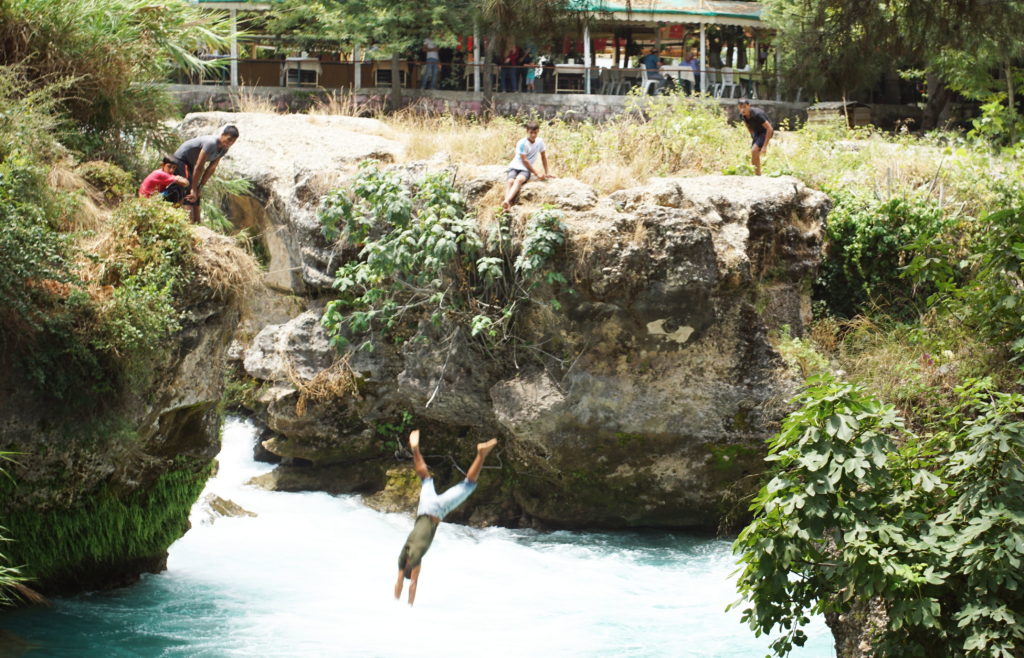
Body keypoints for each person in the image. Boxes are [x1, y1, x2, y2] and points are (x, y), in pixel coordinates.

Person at [394, 429, 498, 606]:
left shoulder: (416, 558)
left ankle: (481, 454)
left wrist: (407, 605)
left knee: (469, 484)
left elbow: (412, 585)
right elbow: (398, 582)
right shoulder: (403, 556)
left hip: (438, 512)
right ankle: (415, 449)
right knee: (425, 478)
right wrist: (397, 591)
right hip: (423, 510)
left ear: (411, 570)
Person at [171, 125, 239, 223]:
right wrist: (193, 188)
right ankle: (187, 223)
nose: (230, 143)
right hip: (180, 160)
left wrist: (200, 187)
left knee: (196, 193)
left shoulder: (224, 149)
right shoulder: (211, 143)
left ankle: (197, 222)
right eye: (229, 139)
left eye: (233, 142)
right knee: (189, 190)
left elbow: (212, 168)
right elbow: (199, 166)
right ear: (223, 135)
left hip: (190, 164)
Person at [502, 120, 550, 210]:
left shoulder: (540, 142)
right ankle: (507, 202)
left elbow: (543, 157)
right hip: (515, 166)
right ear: (527, 131)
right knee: (510, 181)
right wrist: (536, 173)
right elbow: (524, 160)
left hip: (525, 169)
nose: (533, 135)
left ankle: (507, 201)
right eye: (531, 132)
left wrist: (547, 172)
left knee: (519, 180)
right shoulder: (522, 143)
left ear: (538, 131)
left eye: (535, 133)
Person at [737, 99, 773, 176]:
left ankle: (758, 175)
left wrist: (764, 146)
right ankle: (757, 174)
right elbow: (748, 126)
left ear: (749, 106)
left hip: (765, 132)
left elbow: (769, 128)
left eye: (744, 107)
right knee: (754, 154)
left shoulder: (757, 114)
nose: (742, 109)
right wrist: (753, 136)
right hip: (757, 132)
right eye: (740, 107)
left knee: (754, 150)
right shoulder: (742, 115)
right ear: (738, 108)